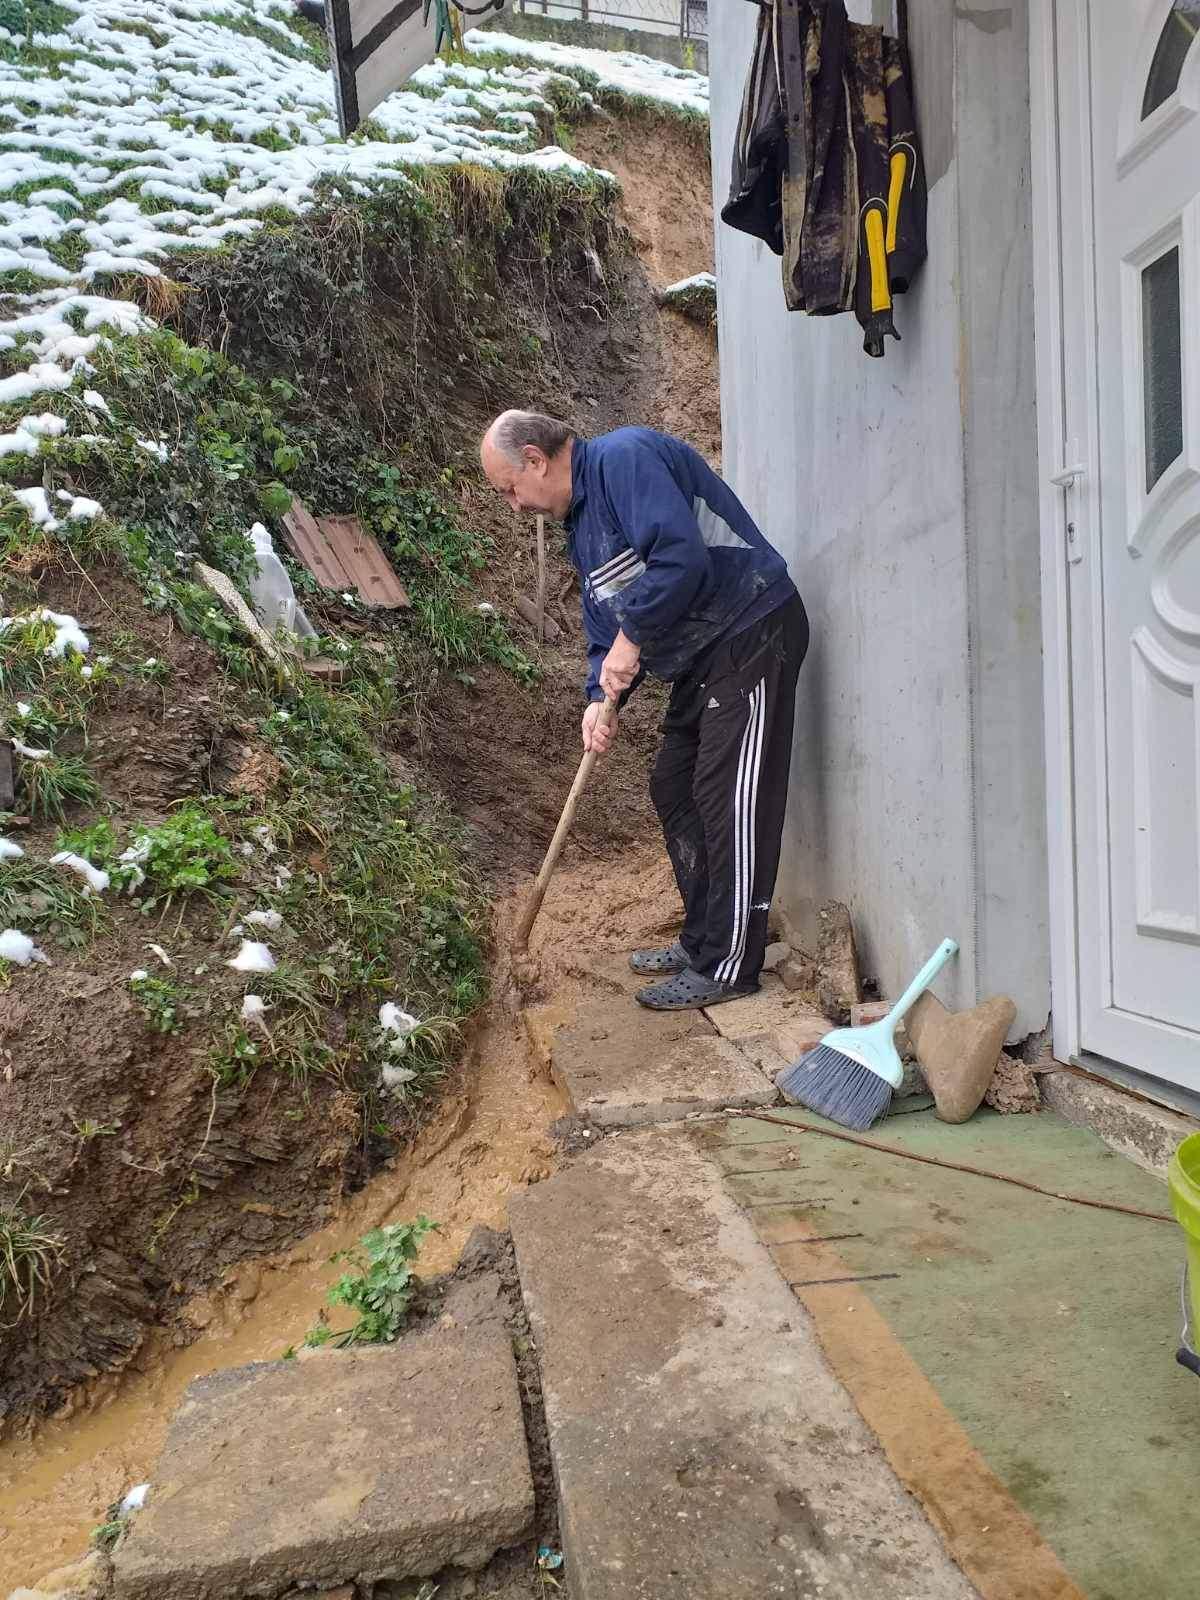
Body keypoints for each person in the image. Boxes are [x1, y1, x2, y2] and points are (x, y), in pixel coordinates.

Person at [480, 412, 809, 1010]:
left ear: (534, 459)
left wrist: (631, 641)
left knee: (725, 794)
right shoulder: (582, 527)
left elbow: (680, 559)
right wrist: (598, 701)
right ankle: (702, 940)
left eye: (509, 488)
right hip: (703, 653)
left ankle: (731, 963)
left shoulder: (624, 460)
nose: (513, 505)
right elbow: (608, 627)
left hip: (752, 627)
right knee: (673, 786)